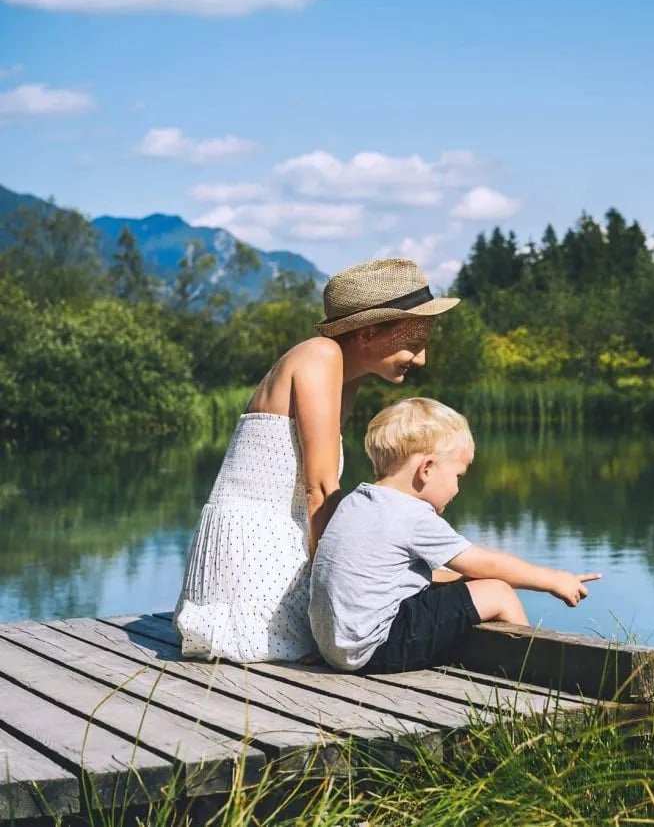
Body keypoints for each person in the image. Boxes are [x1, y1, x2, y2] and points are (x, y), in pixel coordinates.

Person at [173, 258, 458, 663]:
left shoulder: (345, 376)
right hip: (252, 551)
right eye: (414, 342)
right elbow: (320, 489)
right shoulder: (320, 356)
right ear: (370, 332)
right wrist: (340, 595)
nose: (422, 358)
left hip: (276, 538)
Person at [309, 397, 601, 674]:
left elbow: (398, 580)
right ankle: (535, 678)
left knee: (453, 580)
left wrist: (461, 582)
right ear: (426, 469)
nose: (458, 489)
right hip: (379, 647)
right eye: (458, 476)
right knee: (498, 591)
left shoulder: (356, 502)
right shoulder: (410, 513)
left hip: (335, 648)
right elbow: (485, 564)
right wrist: (554, 580)